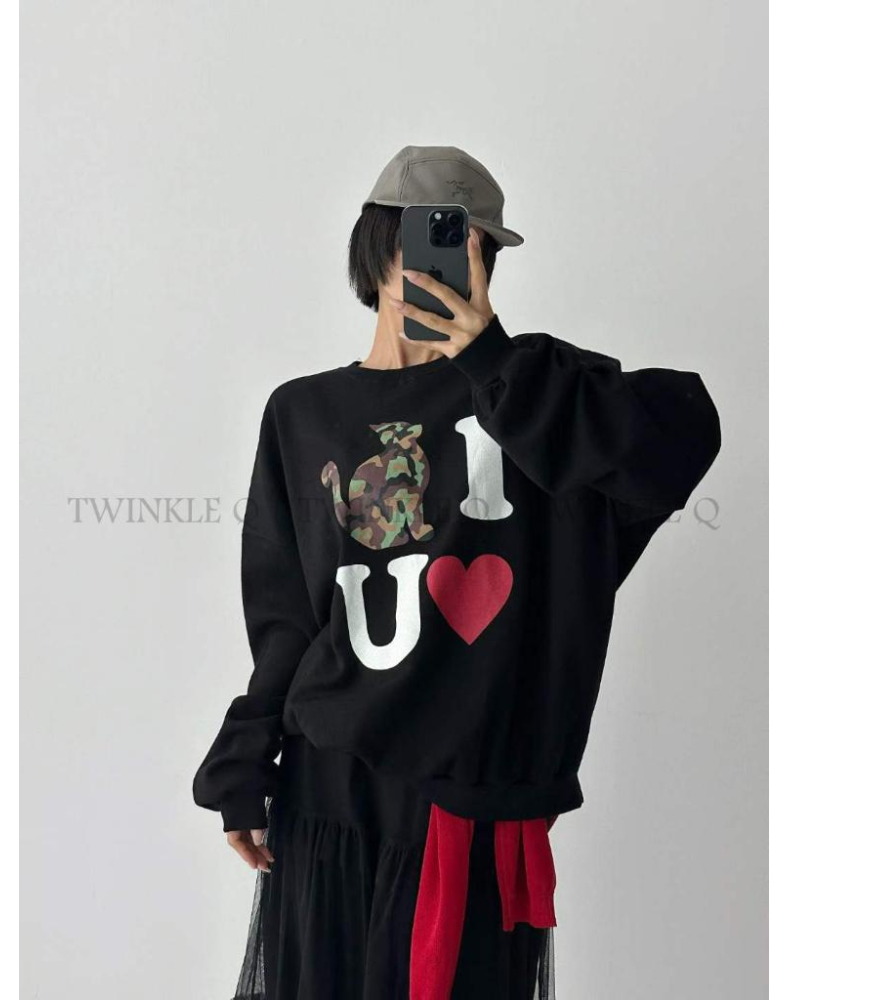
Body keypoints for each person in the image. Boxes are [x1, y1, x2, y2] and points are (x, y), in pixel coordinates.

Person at [193, 145, 721, 1000]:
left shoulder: (535, 392)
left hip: (467, 803)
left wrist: (494, 362)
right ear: (377, 246)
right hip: (327, 788)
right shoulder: (302, 412)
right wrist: (247, 762)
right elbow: (287, 614)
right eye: (431, 237)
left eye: (472, 245)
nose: (445, 263)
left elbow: (682, 436)